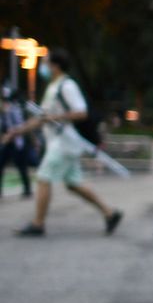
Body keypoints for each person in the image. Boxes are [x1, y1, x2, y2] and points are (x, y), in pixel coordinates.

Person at [4, 49, 122, 237]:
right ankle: (110, 214)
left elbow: (81, 112)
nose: (43, 66)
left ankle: (38, 223)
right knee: (73, 184)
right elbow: (42, 118)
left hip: (64, 142)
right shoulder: (53, 87)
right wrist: (18, 131)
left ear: (55, 66)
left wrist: (56, 117)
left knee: (43, 177)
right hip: (60, 142)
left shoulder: (67, 86)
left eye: (45, 62)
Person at [1, 84, 33, 199]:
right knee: (1, 163)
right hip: (10, 142)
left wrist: (9, 136)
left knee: (22, 166)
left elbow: (19, 127)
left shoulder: (14, 109)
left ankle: (27, 189)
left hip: (17, 142)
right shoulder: (7, 110)